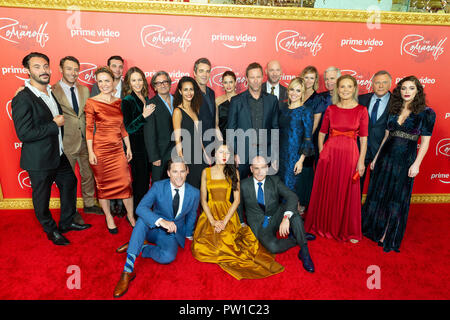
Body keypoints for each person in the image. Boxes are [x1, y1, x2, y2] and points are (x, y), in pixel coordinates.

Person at [11, 52, 91, 245]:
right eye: (37, 67)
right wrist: (54, 125)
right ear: (28, 70)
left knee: (70, 182)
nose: (43, 70)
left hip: (58, 153)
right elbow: (24, 133)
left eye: (45, 66)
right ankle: (50, 229)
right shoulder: (23, 98)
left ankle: (66, 222)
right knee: (42, 196)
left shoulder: (50, 92)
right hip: (39, 159)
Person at [362, 76, 436, 253]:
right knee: (380, 194)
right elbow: (387, 136)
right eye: (403, 88)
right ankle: (375, 229)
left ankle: (388, 234)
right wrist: (376, 157)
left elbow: (425, 143)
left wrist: (417, 164)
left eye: (411, 88)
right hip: (386, 157)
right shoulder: (394, 109)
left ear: (417, 91)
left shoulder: (426, 113)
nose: (407, 92)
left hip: (405, 160)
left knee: (396, 198)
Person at [191, 144, 284, 279]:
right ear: (214, 154)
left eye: (227, 153)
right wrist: (212, 221)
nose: (224, 156)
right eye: (221, 152)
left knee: (225, 245)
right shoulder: (206, 172)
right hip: (209, 214)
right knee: (201, 249)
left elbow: (236, 201)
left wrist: (223, 222)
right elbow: (203, 200)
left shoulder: (234, 172)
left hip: (227, 214)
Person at [113, 157, 200, 298]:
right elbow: (141, 208)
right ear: (168, 173)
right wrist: (161, 221)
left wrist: (188, 234)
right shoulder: (158, 186)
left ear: (187, 171)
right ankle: (127, 270)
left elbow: (191, 216)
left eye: (182, 171)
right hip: (153, 228)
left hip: (171, 233)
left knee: (168, 257)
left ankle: (140, 246)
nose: (179, 176)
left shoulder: (194, 193)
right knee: (142, 220)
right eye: (175, 171)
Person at [305, 75, 369, 243]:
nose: (346, 90)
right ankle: (324, 226)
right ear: (338, 89)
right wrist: (322, 151)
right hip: (330, 155)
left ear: (354, 89)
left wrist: (361, 161)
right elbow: (321, 132)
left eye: (349, 86)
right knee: (329, 188)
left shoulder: (361, 110)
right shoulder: (331, 109)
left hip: (350, 155)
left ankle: (348, 230)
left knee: (348, 191)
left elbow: (363, 139)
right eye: (342, 87)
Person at [240, 156, 315, 273]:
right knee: (273, 247)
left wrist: (286, 218)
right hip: (260, 224)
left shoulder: (274, 180)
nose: (260, 172)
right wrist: (241, 222)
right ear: (251, 169)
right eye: (256, 168)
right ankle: (299, 237)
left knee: (293, 214)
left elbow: (292, 196)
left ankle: (304, 252)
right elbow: (238, 205)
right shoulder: (243, 185)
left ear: (267, 168)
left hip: (276, 214)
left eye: (263, 168)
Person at [52, 56, 103, 221]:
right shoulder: (52, 91)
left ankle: (88, 204)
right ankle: (71, 211)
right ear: (60, 69)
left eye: (76, 69)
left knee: (88, 174)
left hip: (85, 140)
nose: (73, 73)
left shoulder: (84, 90)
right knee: (68, 180)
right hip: (66, 142)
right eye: (69, 69)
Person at [85, 67, 134, 233]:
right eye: (100, 81)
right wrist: (91, 152)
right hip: (100, 150)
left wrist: (128, 146)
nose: (104, 84)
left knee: (126, 183)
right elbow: (89, 128)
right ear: (97, 83)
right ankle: (108, 216)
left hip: (117, 149)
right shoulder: (91, 102)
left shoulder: (120, 102)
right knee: (103, 186)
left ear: (114, 82)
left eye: (107, 80)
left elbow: (123, 127)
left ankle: (130, 215)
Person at [227, 62, 279, 181]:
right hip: (242, 152)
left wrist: (274, 154)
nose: (255, 81)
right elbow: (230, 129)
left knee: (266, 188)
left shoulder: (272, 100)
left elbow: (275, 129)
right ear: (247, 79)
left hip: (266, 151)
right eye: (252, 77)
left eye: (258, 77)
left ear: (262, 77)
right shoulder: (236, 101)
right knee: (239, 186)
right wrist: (234, 153)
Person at [90, 55, 126, 216]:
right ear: (108, 68)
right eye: (114, 66)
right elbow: (91, 119)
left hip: (122, 139)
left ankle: (121, 203)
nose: (117, 69)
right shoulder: (96, 88)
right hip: (103, 141)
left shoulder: (128, 87)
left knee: (122, 174)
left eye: (120, 66)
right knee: (105, 175)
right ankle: (111, 205)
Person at [278, 77, 314, 214]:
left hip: (294, 157)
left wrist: (301, 161)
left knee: (290, 189)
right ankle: (281, 220)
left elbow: (307, 138)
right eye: (292, 89)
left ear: (303, 92)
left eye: (298, 90)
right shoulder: (283, 108)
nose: (294, 93)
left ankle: (291, 222)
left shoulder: (306, 111)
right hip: (280, 155)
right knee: (280, 187)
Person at [121, 67, 156, 210]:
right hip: (137, 147)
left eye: (140, 79)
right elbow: (128, 127)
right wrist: (143, 116)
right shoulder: (127, 100)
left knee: (145, 180)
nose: (137, 83)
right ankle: (138, 213)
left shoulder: (145, 97)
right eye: (133, 80)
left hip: (147, 145)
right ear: (128, 83)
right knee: (140, 182)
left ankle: (144, 209)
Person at [296, 66, 326, 212]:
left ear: (315, 81)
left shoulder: (318, 99)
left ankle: (302, 203)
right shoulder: (296, 94)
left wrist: (305, 139)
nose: (308, 80)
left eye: (311, 78)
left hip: (307, 140)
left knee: (305, 171)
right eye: (306, 77)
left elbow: (315, 123)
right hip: (293, 138)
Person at [358, 70, 392, 196]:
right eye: (377, 82)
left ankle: (371, 214)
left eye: (384, 82)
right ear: (372, 84)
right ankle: (355, 213)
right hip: (361, 150)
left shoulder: (397, 103)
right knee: (356, 186)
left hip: (383, 151)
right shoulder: (361, 99)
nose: (381, 86)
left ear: (390, 84)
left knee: (378, 188)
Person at [172, 76, 209, 189]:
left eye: (191, 89)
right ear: (180, 91)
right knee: (191, 189)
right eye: (186, 89)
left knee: (202, 189)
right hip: (188, 156)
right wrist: (182, 160)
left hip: (200, 156)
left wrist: (205, 153)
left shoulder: (194, 109)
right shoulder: (178, 111)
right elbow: (177, 139)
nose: (189, 92)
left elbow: (198, 135)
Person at [143, 71, 175, 182]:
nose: (163, 85)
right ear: (155, 87)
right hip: (160, 154)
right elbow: (149, 133)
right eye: (159, 83)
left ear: (170, 83)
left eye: (165, 81)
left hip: (179, 152)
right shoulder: (151, 104)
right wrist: (154, 156)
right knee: (159, 186)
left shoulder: (179, 101)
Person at [193, 58, 217, 148]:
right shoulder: (190, 93)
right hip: (196, 145)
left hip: (211, 143)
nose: (204, 75)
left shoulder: (211, 92)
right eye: (201, 71)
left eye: (207, 71)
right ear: (195, 73)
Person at [215, 70, 237, 141]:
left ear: (235, 83)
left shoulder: (242, 100)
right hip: (221, 140)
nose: (228, 85)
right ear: (222, 84)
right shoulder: (218, 101)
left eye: (231, 82)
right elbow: (216, 125)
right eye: (225, 82)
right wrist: (221, 141)